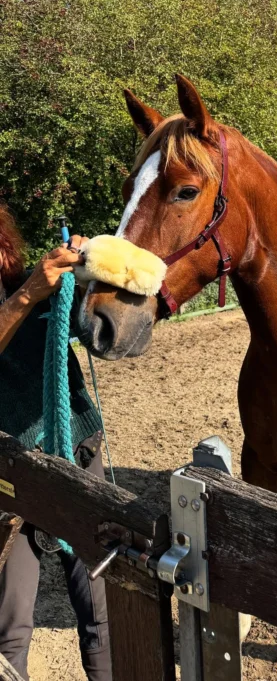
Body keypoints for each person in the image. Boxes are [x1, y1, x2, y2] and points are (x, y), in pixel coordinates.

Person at [0, 203, 111, 681]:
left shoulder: (31, 283)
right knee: (10, 624)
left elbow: (100, 331)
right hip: (10, 475)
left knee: (100, 611)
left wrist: (91, 271)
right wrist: (29, 294)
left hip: (76, 451)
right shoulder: (28, 289)